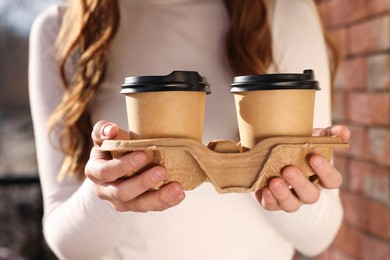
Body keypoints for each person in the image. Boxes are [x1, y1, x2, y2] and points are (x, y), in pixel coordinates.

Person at [29, 0, 351, 259]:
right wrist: (108, 193)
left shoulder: (286, 12)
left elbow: (319, 235)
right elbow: (65, 245)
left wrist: (283, 187)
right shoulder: (64, 27)